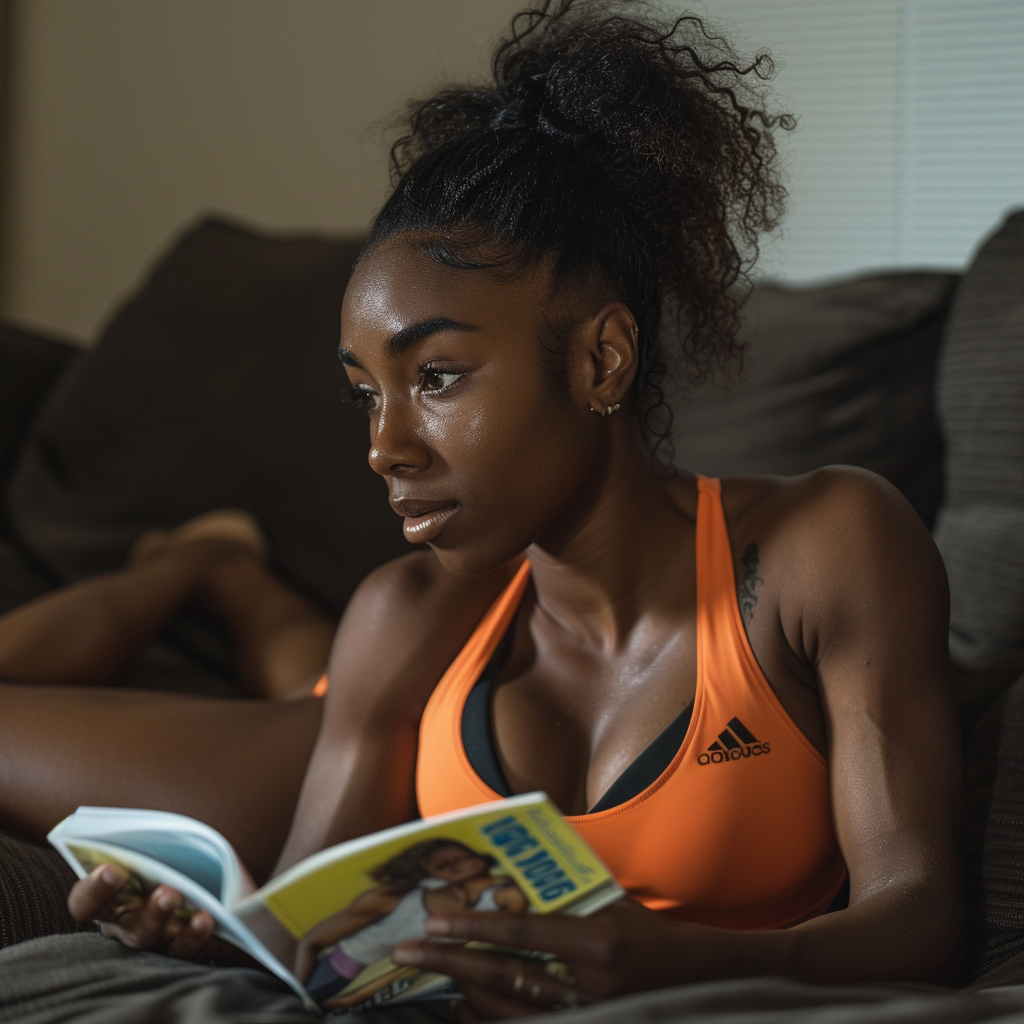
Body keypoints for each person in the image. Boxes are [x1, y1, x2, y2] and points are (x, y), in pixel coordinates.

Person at [19, 0, 962, 1017]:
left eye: (436, 377)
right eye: (366, 393)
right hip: (360, 699)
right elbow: (302, 945)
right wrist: (191, 940)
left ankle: (225, 573)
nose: (383, 447)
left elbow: (921, 912)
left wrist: (678, 963)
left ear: (601, 357)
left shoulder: (825, 547)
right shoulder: (408, 613)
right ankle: (200, 569)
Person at [0, 510, 334, 880]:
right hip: (364, 722)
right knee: (326, 692)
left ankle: (207, 562)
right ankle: (214, 563)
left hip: (350, 764)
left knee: (327, 696)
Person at [296, 839, 526, 1006]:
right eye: (442, 866)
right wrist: (296, 996)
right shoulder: (393, 896)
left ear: (478, 857)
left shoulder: (506, 894)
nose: (456, 867)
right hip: (340, 972)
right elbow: (311, 942)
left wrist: (358, 996)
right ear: (430, 872)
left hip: (415, 982)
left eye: (461, 858)